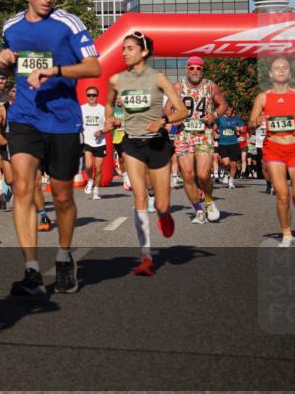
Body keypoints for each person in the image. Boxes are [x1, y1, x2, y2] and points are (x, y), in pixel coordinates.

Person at [0, 0, 101, 297]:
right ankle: (30, 270)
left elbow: (94, 65)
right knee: (23, 186)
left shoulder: (67, 24)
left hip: (62, 120)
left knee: (61, 196)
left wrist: (55, 70)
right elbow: (11, 57)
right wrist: (3, 58)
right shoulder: (11, 26)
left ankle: (63, 254)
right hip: (25, 117)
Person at [104, 32, 187, 276]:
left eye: (130, 48)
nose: (124, 53)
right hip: (132, 143)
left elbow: (181, 111)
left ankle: (165, 215)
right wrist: (110, 119)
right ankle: (146, 256)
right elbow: (109, 103)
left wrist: (163, 120)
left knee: (161, 205)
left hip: (158, 143)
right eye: (123, 49)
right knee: (140, 196)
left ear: (144, 52)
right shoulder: (116, 80)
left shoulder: (159, 78)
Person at [248, 57, 295, 247]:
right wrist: (258, 120)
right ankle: (287, 234)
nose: (280, 71)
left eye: (284, 68)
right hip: (273, 148)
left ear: (290, 73)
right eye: (276, 68)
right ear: (270, 74)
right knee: (282, 194)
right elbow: (251, 122)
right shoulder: (263, 97)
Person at [174, 56, 228, 224]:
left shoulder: (210, 86)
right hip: (183, 135)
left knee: (203, 174)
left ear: (202, 70)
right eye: (192, 68)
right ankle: (198, 211)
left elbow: (223, 104)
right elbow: (167, 108)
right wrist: (175, 118)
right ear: (186, 69)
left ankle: (209, 201)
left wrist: (215, 114)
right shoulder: (178, 86)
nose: (195, 71)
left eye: (198, 68)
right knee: (188, 175)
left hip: (204, 133)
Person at [0, 87, 16, 209]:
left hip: (23, 144)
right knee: (10, 179)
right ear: (9, 93)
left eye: (18, 90)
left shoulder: (27, 107)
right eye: (13, 90)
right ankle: (3, 197)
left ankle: (23, 200)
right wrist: (0, 136)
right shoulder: (3, 108)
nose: (15, 93)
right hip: (8, 144)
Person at [80, 86, 107, 200]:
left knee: (99, 168)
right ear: (86, 96)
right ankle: (90, 179)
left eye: (93, 95)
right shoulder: (82, 108)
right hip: (87, 140)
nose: (91, 97)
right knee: (88, 165)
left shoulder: (103, 109)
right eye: (89, 95)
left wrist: (101, 131)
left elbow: (109, 127)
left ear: (97, 96)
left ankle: (96, 190)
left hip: (100, 142)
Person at [215, 106, 245, 190]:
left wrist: (239, 129)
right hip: (223, 143)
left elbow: (243, 129)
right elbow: (214, 128)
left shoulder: (237, 119)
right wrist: (215, 133)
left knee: (234, 164)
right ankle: (225, 172)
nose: (228, 111)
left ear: (232, 110)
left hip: (234, 143)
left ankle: (231, 181)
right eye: (226, 110)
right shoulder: (219, 119)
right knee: (226, 163)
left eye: (229, 110)